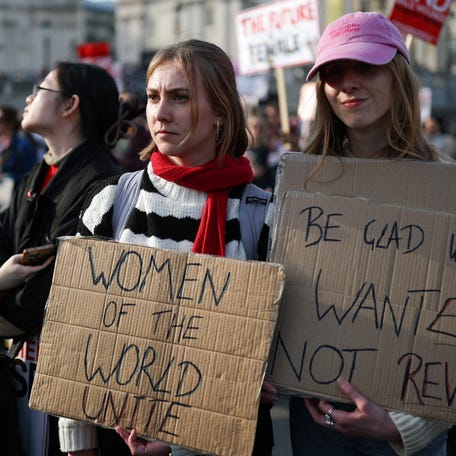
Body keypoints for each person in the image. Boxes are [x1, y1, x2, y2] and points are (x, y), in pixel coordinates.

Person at [58, 39, 277, 456]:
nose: (160, 113)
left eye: (180, 98)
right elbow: (74, 337)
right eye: (154, 97)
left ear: (221, 112)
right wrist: (79, 444)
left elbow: (276, 354)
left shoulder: (262, 217)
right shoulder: (112, 203)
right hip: (115, 441)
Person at [289, 11, 452, 456]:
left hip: (408, 430)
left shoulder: (446, 184)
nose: (348, 83)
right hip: (315, 421)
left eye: (366, 67)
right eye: (334, 72)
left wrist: (405, 427)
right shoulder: (299, 183)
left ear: (398, 74)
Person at [0, 61, 139, 456]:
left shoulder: (102, 181)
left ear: (69, 105)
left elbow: (50, 294)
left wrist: (5, 283)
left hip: (67, 378)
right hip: (23, 365)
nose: (27, 97)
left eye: (40, 88)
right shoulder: (35, 174)